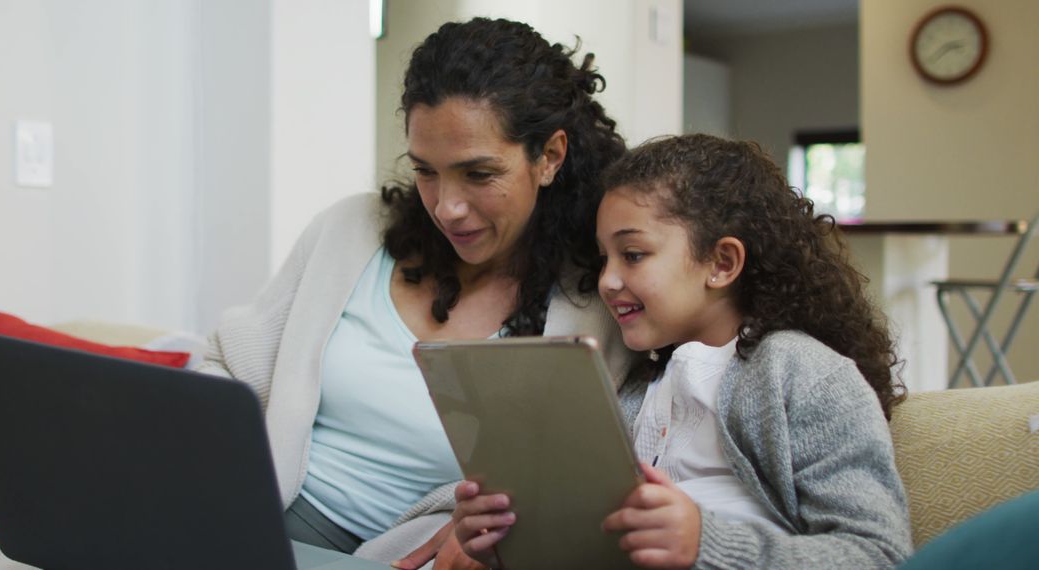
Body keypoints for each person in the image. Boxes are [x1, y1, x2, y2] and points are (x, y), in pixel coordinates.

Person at [196, 17, 630, 570]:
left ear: (548, 156)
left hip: (414, 557)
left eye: (477, 174)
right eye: (427, 171)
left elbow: (584, 491)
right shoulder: (350, 230)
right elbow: (227, 367)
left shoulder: (594, 308)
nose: (446, 205)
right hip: (258, 519)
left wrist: (500, 536)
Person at [451, 134, 914, 568]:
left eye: (632, 254)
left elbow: (878, 554)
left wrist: (705, 544)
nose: (607, 281)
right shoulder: (635, 387)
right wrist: (503, 538)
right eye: (603, 259)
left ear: (721, 263)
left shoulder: (801, 372)